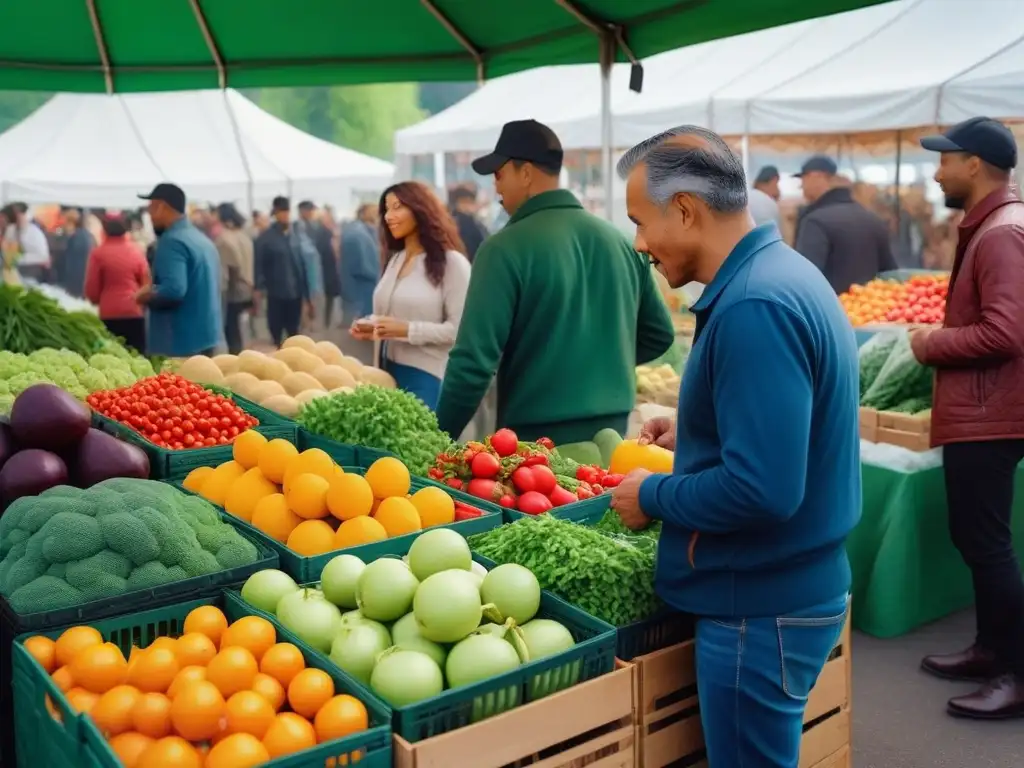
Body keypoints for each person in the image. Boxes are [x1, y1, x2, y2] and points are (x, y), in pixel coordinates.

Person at [609, 125, 858, 768]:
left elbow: (764, 487)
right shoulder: (782, 274)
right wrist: (693, 428)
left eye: (641, 221)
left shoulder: (754, 305)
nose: (639, 243)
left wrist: (654, 494)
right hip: (782, 593)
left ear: (686, 209)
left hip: (760, 606)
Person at [435, 119, 675, 448]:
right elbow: (659, 333)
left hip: (536, 445)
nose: (495, 187)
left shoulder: (503, 248)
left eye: (499, 173)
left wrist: (437, 438)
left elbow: (472, 363)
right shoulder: (619, 242)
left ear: (526, 172)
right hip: (613, 435)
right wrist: (596, 363)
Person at [911, 117, 1024, 720]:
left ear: (974, 164)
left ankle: (1014, 672)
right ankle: (990, 649)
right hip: (992, 408)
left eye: (945, 159)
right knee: (980, 541)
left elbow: (1006, 332)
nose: (936, 170)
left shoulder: (1002, 232)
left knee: (987, 544)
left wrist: (931, 342)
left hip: (991, 412)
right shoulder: (994, 225)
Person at [349, 182, 471, 409]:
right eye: (386, 209)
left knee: (421, 442)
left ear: (420, 209)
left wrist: (406, 329)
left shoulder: (453, 263)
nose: (388, 216)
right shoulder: (396, 260)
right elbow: (392, 313)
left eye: (397, 207)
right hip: (385, 373)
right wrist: (372, 325)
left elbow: (461, 331)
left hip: (428, 376)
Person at [136, 183, 223, 356]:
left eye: (151, 208)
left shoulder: (172, 241)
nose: (150, 216)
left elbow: (173, 291)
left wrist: (145, 296)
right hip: (207, 336)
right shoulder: (200, 238)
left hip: (180, 343)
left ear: (162, 207)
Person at [794, 155, 896, 293]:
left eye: (803, 179)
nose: (801, 186)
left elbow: (804, 280)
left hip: (831, 310)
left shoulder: (815, 221)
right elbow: (890, 274)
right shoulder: (872, 219)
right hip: (871, 308)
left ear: (817, 176)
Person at [83, 213, 150, 353]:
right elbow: (146, 283)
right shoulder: (136, 251)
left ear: (104, 229)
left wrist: (97, 300)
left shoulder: (98, 253)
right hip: (134, 313)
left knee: (112, 357)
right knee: (138, 357)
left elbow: (92, 290)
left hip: (109, 315)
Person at [254, 196, 313, 347]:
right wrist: (258, 292)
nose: (285, 215)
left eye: (287, 211)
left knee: (294, 334)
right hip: (276, 295)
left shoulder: (295, 236)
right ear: (275, 213)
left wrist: (308, 296)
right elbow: (258, 267)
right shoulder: (265, 239)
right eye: (281, 212)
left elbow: (302, 266)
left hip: (295, 294)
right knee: (276, 334)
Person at [339, 204, 381, 365]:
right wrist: (375, 275)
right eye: (372, 212)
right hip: (363, 286)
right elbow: (360, 265)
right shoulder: (357, 234)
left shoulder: (363, 231)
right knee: (363, 326)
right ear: (363, 213)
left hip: (365, 286)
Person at [214, 203, 255, 355]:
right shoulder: (245, 237)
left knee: (232, 331)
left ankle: (236, 360)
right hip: (247, 288)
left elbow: (230, 269)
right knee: (242, 329)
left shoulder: (224, 239)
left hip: (233, 291)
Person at [298, 200, 341, 329]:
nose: (312, 213)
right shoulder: (301, 228)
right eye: (310, 210)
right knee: (309, 298)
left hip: (321, 268)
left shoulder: (314, 227)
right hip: (310, 268)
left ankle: (317, 323)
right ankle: (308, 324)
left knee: (318, 298)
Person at [2, 202, 51, 282]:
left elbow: (44, 257)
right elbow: (7, 250)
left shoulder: (35, 233)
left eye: (20, 214)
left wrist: (20, 258)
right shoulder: (10, 230)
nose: (18, 217)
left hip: (31, 272)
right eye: (15, 214)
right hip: (11, 271)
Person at [59, 208, 96, 298]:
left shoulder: (77, 237)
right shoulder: (87, 236)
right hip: (84, 278)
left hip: (77, 279)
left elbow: (72, 262)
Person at [448, 185, 490, 262]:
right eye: (471, 202)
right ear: (462, 202)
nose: (475, 206)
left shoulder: (449, 221)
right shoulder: (467, 223)